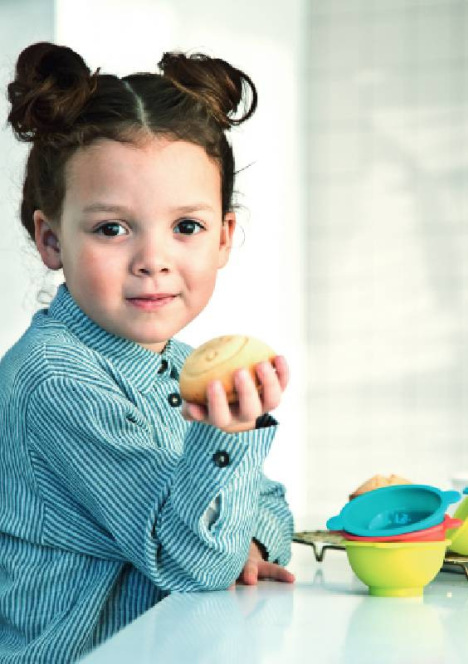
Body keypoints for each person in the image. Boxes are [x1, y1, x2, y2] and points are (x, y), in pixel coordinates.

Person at [0, 42, 295, 663]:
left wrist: (253, 545)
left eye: (186, 226)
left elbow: (266, 501)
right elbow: (192, 563)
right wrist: (228, 437)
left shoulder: (179, 362)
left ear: (224, 237)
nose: (152, 259)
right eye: (112, 228)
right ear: (51, 239)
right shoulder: (57, 381)